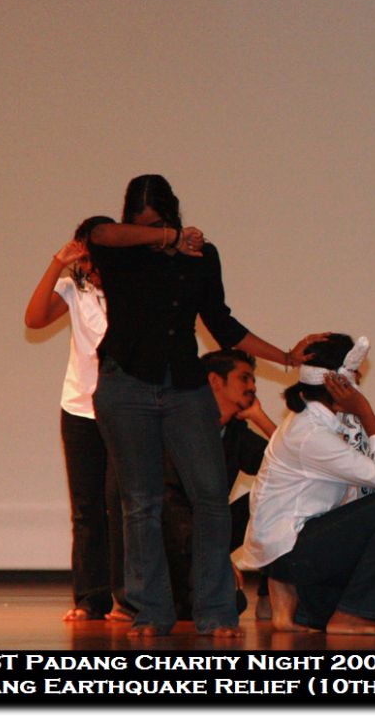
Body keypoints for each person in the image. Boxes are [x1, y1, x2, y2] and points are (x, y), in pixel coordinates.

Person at [88, 173, 324, 638]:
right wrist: (167, 237)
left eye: (159, 220)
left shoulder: (201, 256)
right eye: (143, 223)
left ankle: (215, 611)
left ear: (172, 212)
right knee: (141, 502)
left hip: (184, 384)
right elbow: (96, 232)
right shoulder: (116, 247)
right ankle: (150, 611)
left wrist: (285, 358)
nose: (152, 230)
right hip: (126, 383)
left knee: (211, 496)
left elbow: (221, 323)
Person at [239, 335, 375, 636]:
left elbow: (361, 498)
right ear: (339, 382)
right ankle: (346, 616)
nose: (360, 379)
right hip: (293, 553)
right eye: (355, 373)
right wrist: (365, 411)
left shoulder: (322, 422)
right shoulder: (311, 434)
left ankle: (303, 609)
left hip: (301, 552)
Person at [25, 215, 131, 622]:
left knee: (122, 504)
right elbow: (34, 319)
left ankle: (128, 598)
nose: (90, 265)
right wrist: (58, 263)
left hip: (124, 408)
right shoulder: (73, 288)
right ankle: (90, 598)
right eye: (84, 256)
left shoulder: (134, 287)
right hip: (79, 407)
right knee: (87, 508)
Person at [164, 349, 276, 621]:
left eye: (253, 380)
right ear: (215, 381)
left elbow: (292, 468)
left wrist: (259, 417)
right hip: (172, 539)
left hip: (209, 533)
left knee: (276, 495)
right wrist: (217, 558)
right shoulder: (178, 425)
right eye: (244, 378)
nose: (253, 387)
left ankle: (270, 594)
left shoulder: (235, 433)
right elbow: (171, 506)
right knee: (226, 603)